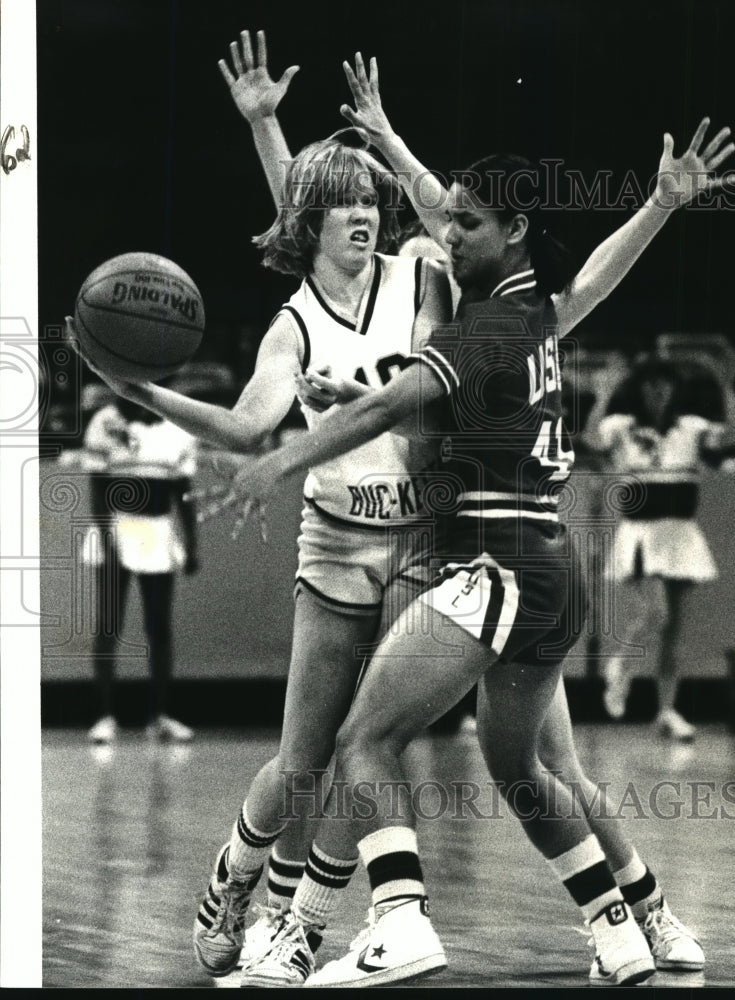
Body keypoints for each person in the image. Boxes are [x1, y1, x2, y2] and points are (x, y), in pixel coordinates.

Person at [200, 52, 735, 987]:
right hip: (523, 558)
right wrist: (381, 135)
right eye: (440, 216)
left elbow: (381, 364)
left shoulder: (476, 313)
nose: (439, 224)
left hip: (481, 558)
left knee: (374, 743)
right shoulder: (508, 301)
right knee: (528, 770)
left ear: (503, 231)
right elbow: (345, 226)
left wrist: (281, 455)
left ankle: (390, 923)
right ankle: (626, 928)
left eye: (462, 220)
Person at [66, 28, 454, 984]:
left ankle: (308, 920)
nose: (365, 215)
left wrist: (385, 140)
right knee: (302, 764)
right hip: (333, 543)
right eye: (348, 206)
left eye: (372, 202)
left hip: (418, 538)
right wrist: (137, 387)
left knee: (378, 741)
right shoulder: (294, 325)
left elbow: (456, 219)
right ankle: (238, 875)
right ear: (313, 226)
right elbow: (246, 432)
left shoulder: (417, 274)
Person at [593, 354, 735, 740]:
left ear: (675, 391)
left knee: (674, 629)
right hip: (642, 533)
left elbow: (731, 438)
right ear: (640, 389)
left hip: (681, 534)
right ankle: (621, 664)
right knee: (656, 613)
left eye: (666, 386)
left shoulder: (690, 429)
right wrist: (603, 392)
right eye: (651, 386)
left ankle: (666, 710)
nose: (659, 393)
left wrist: (727, 386)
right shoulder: (621, 427)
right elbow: (594, 440)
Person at [81, 395, 198, 743]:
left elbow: (183, 491)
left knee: (159, 625)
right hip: (116, 528)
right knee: (109, 623)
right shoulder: (105, 421)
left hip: (158, 530)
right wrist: (107, 538)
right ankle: (105, 716)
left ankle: (159, 717)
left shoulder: (178, 427)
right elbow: (98, 487)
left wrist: (192, 544)